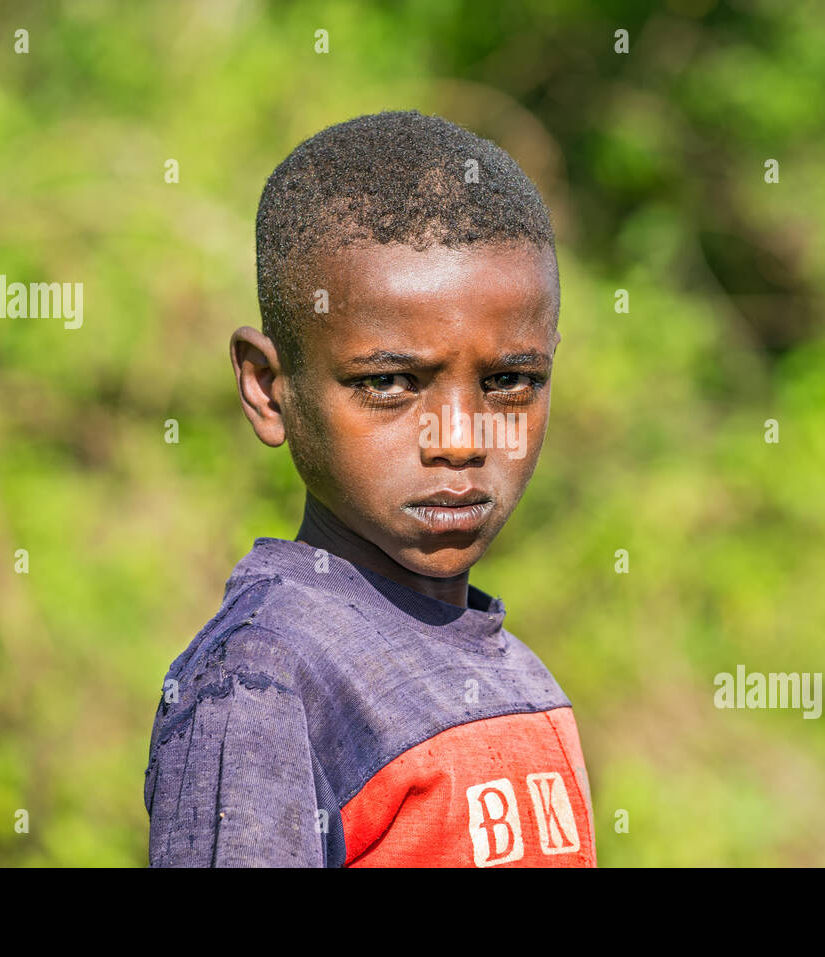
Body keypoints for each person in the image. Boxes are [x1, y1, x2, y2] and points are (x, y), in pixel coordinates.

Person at [144, 110, 595, 867]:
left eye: (509, 380)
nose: (459, 438)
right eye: (389, 382)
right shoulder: (266, 682)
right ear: (268, 387)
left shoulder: (520, 676)